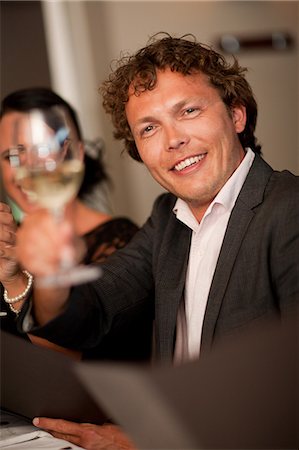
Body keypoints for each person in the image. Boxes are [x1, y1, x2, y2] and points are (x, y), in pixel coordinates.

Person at [13, 33, 299, 448]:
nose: (173, 140)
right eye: (149, 128)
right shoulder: (168, 218)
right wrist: (50, 275)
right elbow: (91, 311)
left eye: (188, 110)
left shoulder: (289, 211)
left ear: (236, 114)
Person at [0, 87, 153, 362]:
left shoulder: (125, 242)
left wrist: (14, 282)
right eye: (12, 155)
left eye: (42, 150)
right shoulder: (7, 242)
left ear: (76, 154)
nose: (28, 166)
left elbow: (73, 364)